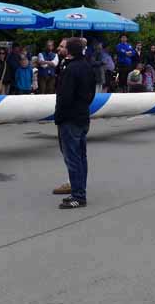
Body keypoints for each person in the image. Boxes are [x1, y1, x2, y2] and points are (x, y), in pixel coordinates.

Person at [54, 37, 95, 209]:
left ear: (69, 51)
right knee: (81, 157)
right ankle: (79, 191)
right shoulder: (86, 66)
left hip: (70, 119)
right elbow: (91, 93)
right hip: (83, 116)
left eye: (63, 47)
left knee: (73, 158)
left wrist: (59, 117)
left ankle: (78, 196)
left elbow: (65, 97)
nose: (60, 49)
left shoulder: (71, 69)